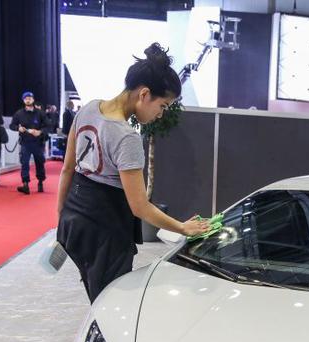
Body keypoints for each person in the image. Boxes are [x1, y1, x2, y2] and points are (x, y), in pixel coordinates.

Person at [56, 43, 210, 302]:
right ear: (144, 94)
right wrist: (182, 228)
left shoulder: (88, 108)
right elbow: (139, 206)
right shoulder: (126, 137)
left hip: (75, 220)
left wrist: (62, 215)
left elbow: (67, 169)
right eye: (163, 106)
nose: (160, 115)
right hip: (105, 227)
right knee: (111, 303)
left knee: (97, 294)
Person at [10, 91, 51, 194]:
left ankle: (40, 182)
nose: (28, 100)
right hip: (25, 142)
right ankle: (25, 184)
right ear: (23, 100)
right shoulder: (19, 113)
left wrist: (40, 132)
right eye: (26, 98)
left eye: (30, 98)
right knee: (24, 163)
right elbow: (12, 125)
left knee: (39, 162)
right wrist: (18, 128)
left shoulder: (40, 113)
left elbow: (48, 126)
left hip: (38, 143)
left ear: (33, 100)